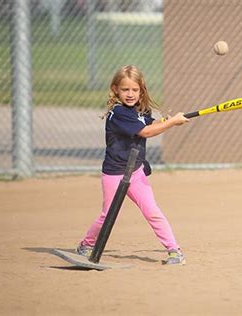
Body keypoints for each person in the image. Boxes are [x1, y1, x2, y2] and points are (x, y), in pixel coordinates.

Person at [76, 65, 190, 265]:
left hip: (135, 171)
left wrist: (170, 120)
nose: (130, 94)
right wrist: (172, 123)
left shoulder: (140, 109)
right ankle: (86, 244)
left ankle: (174, 250)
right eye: (125, 89)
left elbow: (149, 125)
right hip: (115, 173)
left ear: (141, 90)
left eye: (135, 90)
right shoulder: (118, 113)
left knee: (152, 211)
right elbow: (144, 132)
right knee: (108, 215)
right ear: (115, 90)